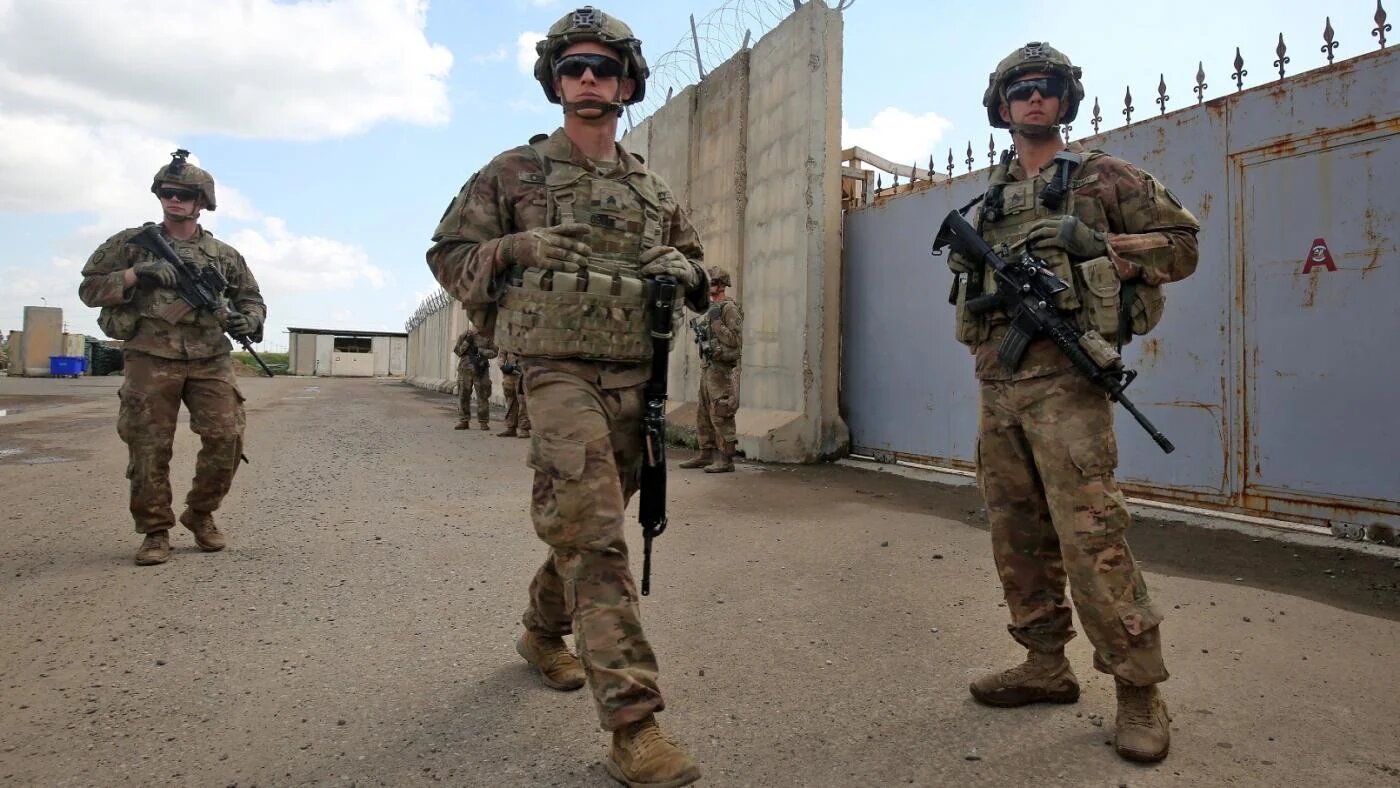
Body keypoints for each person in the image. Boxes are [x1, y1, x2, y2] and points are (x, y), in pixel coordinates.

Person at [425, 7, 709, 786]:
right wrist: (513, 247)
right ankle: (635, 726)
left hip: (636, 379)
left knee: (585, 530)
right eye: (573, 68)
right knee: (596, 535)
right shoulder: (513, 172)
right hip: (554, 375)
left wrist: (687, 272)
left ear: (627, 84)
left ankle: (540, 631)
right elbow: (446, 256)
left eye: (602, 68)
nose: (587, 78)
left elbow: (700, 270)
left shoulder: (650, 187)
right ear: (555, 83)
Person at [949, 42, 1200, 763]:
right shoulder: (989, 197)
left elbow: (1183, 246)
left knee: (1092, 536)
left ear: (1065, 100)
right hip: (998, 384)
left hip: (1068, 387)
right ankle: (1043, 663)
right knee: (1016, 533)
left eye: (1047, 87)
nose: (1034, 97)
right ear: (1001, 107)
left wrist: (1096, 243)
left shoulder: (1103, 176)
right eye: (1021, 89)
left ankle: (1138, 688)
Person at [78, 150, 266, 566]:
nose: (174, 200)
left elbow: (251, 298)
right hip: (149, 356)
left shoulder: (224, 255)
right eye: (167, 193)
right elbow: (89, 291)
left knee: (227, 437)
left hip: (210, 357)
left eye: (184, 194)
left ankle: (200, 513)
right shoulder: (130, 245)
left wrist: (248, 320)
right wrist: (135, 274)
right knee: (148, 445)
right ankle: (155, 530)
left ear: (202, 201)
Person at [679, 265, 742, 473]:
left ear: (722, 285)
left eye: (712, 283)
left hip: (722, 370)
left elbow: (734, 341)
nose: (709, 287)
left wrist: (716, 323)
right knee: (703, 412)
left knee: (721, 413)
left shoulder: (728, 308)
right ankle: (705, 453)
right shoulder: (713, 308)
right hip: (709, 367)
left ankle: (726, 459)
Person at [453, 326, 494, 430]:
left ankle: (483, 422)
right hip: (465, 369)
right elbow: (458, 351)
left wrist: (480, 351)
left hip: (481, 369)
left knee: (483, 395)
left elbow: (494, 352)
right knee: (463, 395)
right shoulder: (466, 334)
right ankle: (464, 421)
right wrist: (467, 341)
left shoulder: (488, 336)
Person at [496, 352, 531, 438]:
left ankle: (524, 428)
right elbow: (502, 353)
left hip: (524, 373)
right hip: (510, 374)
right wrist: (502, 366)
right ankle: (511, 427)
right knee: (510, 401)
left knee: (523, 401)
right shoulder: (508, 343)